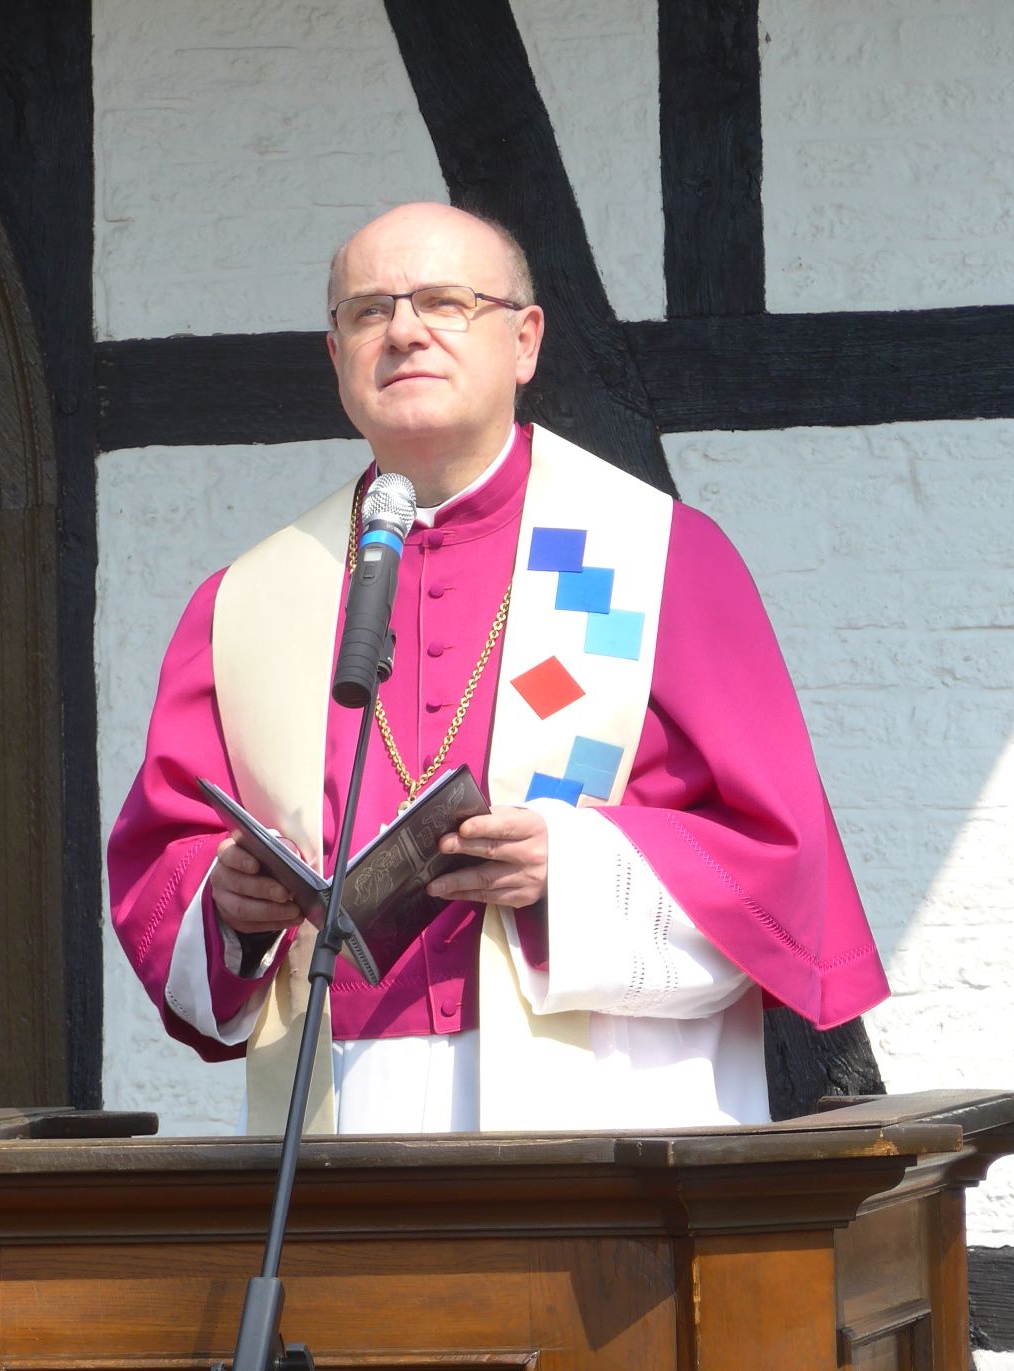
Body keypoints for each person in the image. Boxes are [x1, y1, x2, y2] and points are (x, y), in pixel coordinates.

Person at [108, 202, 888, 1134]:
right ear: (336, 356)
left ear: (524, 342)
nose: (404, 332)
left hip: (613, 1107)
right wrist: (229, 906)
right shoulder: (251, 601)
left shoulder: (655, 558)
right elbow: (162, 868)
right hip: (345, 1119)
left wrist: (573, 867)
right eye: (369, 311)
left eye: (446, 302)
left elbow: (780, 869)